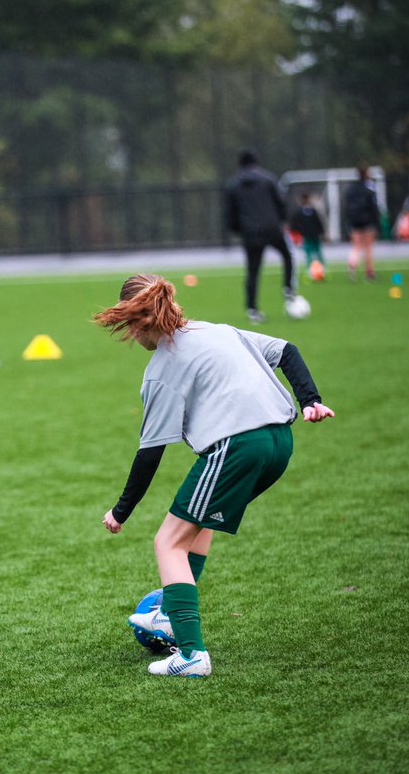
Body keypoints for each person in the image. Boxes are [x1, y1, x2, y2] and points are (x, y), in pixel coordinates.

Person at [94, 273, 335, 677]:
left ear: (135, 322)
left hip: (238, 447)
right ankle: (169, 616)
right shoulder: (219, 331)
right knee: (199, 521)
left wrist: (121, 511)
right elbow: (287, 351)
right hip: (280, 443)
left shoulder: (162, 367)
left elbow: (150, 452)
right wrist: (310, 400)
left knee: (168, 542)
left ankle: (191, 655)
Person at [223, 149, 296, 324]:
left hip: (251, 233)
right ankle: (288, 288)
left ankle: (252, 309)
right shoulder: (268, 179)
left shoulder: (233, 185)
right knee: (287, 255)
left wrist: (240, 230)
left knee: (253, 271)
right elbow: (281, 203)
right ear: (256, 162)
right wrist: (281, 221)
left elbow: (230, 213)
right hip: (272, 228)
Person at [343, 164, 382, 282]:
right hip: (368, 222)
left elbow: (346, 208)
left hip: (355, 222)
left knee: (356, 247)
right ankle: (369, 273)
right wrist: (377, 223)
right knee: (368, 248)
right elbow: (374, 208)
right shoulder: (369, 190)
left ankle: (352, 266)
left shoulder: (351, 190)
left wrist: (349, 221)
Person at [287, 192, 326, 279]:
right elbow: (319, 223)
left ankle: (312, 270)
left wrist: (297, 232)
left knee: (309, 253)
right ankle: (321, 269)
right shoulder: (312, 211)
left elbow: (294, 225)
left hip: (307, 236)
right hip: (314, 235)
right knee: (317, 252)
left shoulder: (299, 212)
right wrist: (322, 233)